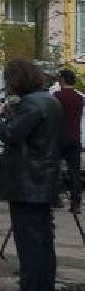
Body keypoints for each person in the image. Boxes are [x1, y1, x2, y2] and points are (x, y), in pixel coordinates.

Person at [0, 57, 64, 291]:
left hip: (27, 185)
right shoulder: (49, 102)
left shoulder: (31, 104)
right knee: (44, 248)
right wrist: (11, 115)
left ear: (17, 80)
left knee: (30, 251)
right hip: (44, 184)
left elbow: (11, 136)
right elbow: (33, 137)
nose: (7, 86)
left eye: (8, 80)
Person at [56, 69, 84, 214]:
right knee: (74, 172)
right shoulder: (80, 98)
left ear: (62, 80)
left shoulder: (57, 96)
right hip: (75, 138)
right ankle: (76, 203)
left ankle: (56, 198)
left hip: (59, 138)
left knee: (54, 169)